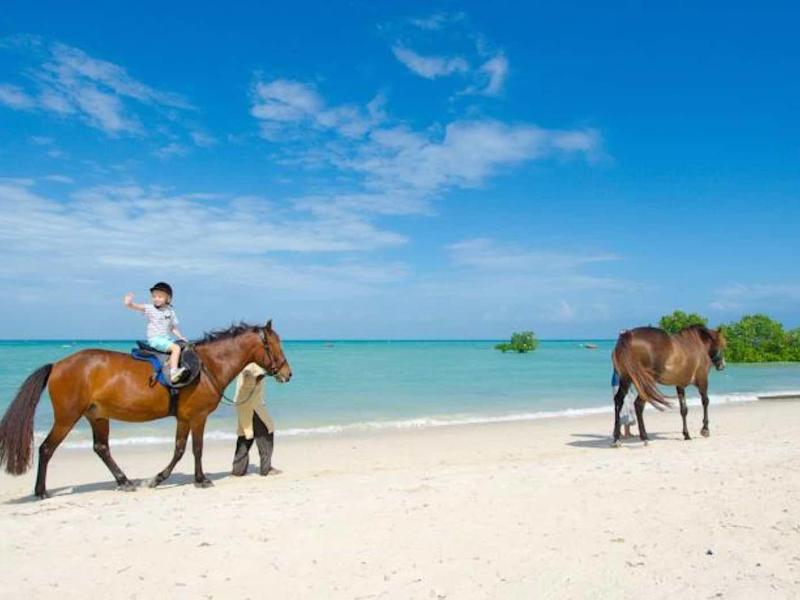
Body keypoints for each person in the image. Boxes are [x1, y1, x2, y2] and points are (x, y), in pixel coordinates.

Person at [123, 282, 188, 384]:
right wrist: (129, 303)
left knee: (184, 346)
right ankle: (173, 373)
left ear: (168, 299)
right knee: (176, 348)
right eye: (154, 296)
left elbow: (172, 327)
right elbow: (137, 307)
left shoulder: (170, 311)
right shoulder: (150, 308)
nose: (156, 299)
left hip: (166, 339)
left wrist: (181, 337)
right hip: (155, 339)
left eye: (160, 297)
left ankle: (168, 364)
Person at [231, 363, 278, 477]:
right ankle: (266, 469)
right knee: (266, 431)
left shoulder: (246, 361)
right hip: (252, 405)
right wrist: (273, 372)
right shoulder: (252, 364)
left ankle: (238, 470)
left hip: (242, 404)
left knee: (245, 435)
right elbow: (253, 372)